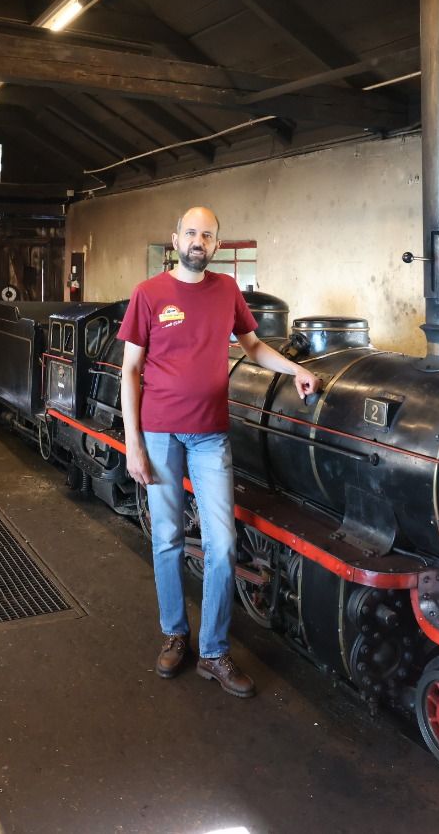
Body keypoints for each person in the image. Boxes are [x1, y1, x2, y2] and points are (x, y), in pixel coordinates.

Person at [118, 206, 320, 698]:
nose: (197, 241)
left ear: (215, 244)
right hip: (161, 433)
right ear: (175, 238)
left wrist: (293, 369)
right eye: (191, 232)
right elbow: (129, 371)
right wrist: (133, 445)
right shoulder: (148, 295)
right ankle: (175, 634)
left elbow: (252, 347)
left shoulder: (227, 292)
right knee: (165, 538)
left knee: (222, 545)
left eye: (207, 235)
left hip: (210, 434)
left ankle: (212, 651)